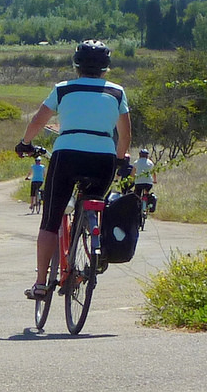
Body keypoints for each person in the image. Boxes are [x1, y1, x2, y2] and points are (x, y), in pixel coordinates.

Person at [14, 40, 134, 300]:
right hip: (103, 158)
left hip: (67, 154)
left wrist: (25, 143)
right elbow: (125, 134)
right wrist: (121, 158)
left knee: (51, 219)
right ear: (106, 68)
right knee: (94, 205)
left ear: (76, 65)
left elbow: (38, 120)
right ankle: (93, 245)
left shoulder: (63, 89)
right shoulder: (116, 92)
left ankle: (41, 283)